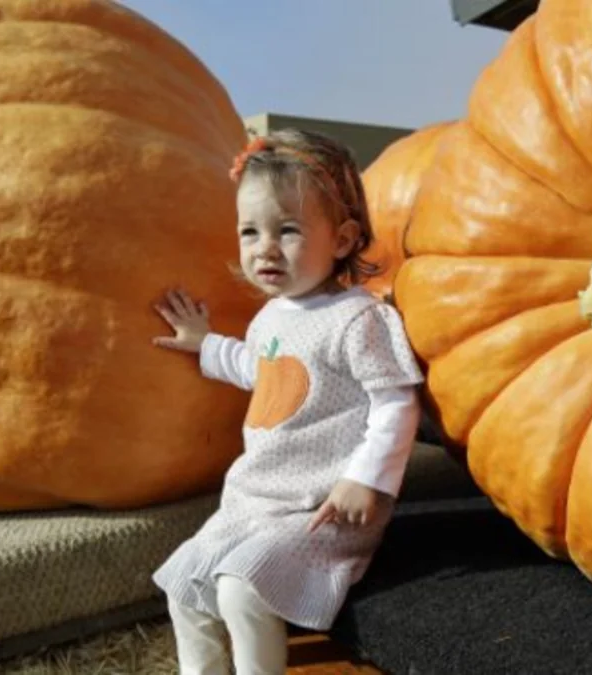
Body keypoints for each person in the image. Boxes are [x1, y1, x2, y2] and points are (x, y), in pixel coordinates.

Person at [150, 128, 424, 675]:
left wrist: (366, 478)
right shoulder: (272, 316)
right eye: (250, 231)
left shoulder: (357, 319)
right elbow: (263, 372)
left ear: (343, 240)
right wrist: (207, 345)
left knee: (240, 588)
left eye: (289, 230)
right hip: (256, 501)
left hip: (324, 508)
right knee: (185, 580)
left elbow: (395, 401)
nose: (265, 248)